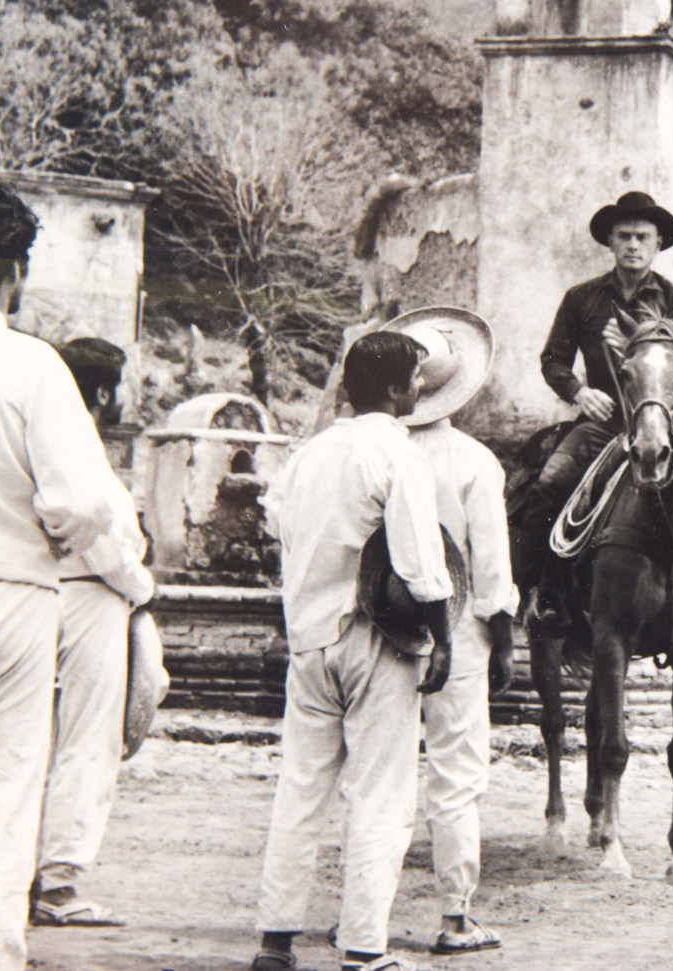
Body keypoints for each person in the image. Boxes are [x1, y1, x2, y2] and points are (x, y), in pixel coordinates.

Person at [252, 331, 455, 971]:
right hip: (375, 639)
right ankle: (364, 949)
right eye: (416, 379)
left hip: (310, 639)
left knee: (301, 789)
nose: (420, 389)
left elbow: (278, 525)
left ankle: (276, 941)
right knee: (381, 795)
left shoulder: (308, 455)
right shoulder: (397, 454)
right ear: (397, 390)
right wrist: (442, 636)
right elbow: (423, 567)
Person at [514, 190, 673, 681]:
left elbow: (670, 360)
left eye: (643, 236)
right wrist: (579, 393)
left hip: (662, 419)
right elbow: (553, 360)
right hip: (602, 420)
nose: (633, 245)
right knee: (550, 483)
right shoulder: (582, 299)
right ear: (610, 242)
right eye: (624, 236)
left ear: (659, 242)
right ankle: (540, 597)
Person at [0, 183, 115, 971]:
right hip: (16, 589)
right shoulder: (32, 366)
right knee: (0, 793)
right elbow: (86, 500)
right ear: (16, 275)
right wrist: (54, 538)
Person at [380, 307, 516, 956]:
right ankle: (455, 915)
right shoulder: (474, 462)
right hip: (458, 631)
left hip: (385, 628)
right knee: (457, 772)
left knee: (378, 771)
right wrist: (506, 635)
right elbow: (490, 566)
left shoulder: (376, 453)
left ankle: (363, 913)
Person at [30, 337, 156, 929]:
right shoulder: (78, 443)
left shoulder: (32, 426)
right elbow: (106, 542)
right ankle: (59, 883)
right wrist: (142, 588)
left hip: (29, 590)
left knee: (23, 738)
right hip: (91, 593)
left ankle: (18, 870)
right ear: (105, 391)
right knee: (88, 738)